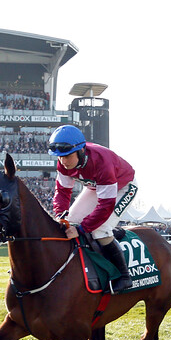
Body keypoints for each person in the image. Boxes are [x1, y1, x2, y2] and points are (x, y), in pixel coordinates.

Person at [49, 124, 137, 293]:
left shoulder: (102, 162)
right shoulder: (63, 164)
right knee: (71, 223)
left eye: (67, 156)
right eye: (59, 157)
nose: (63, 161)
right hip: (96, 187)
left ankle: (125, 277)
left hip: (123, 187)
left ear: (80, 151)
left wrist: (82, 229)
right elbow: (62, 192)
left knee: (99, 229)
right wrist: (61, 214)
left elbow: (105, 206)